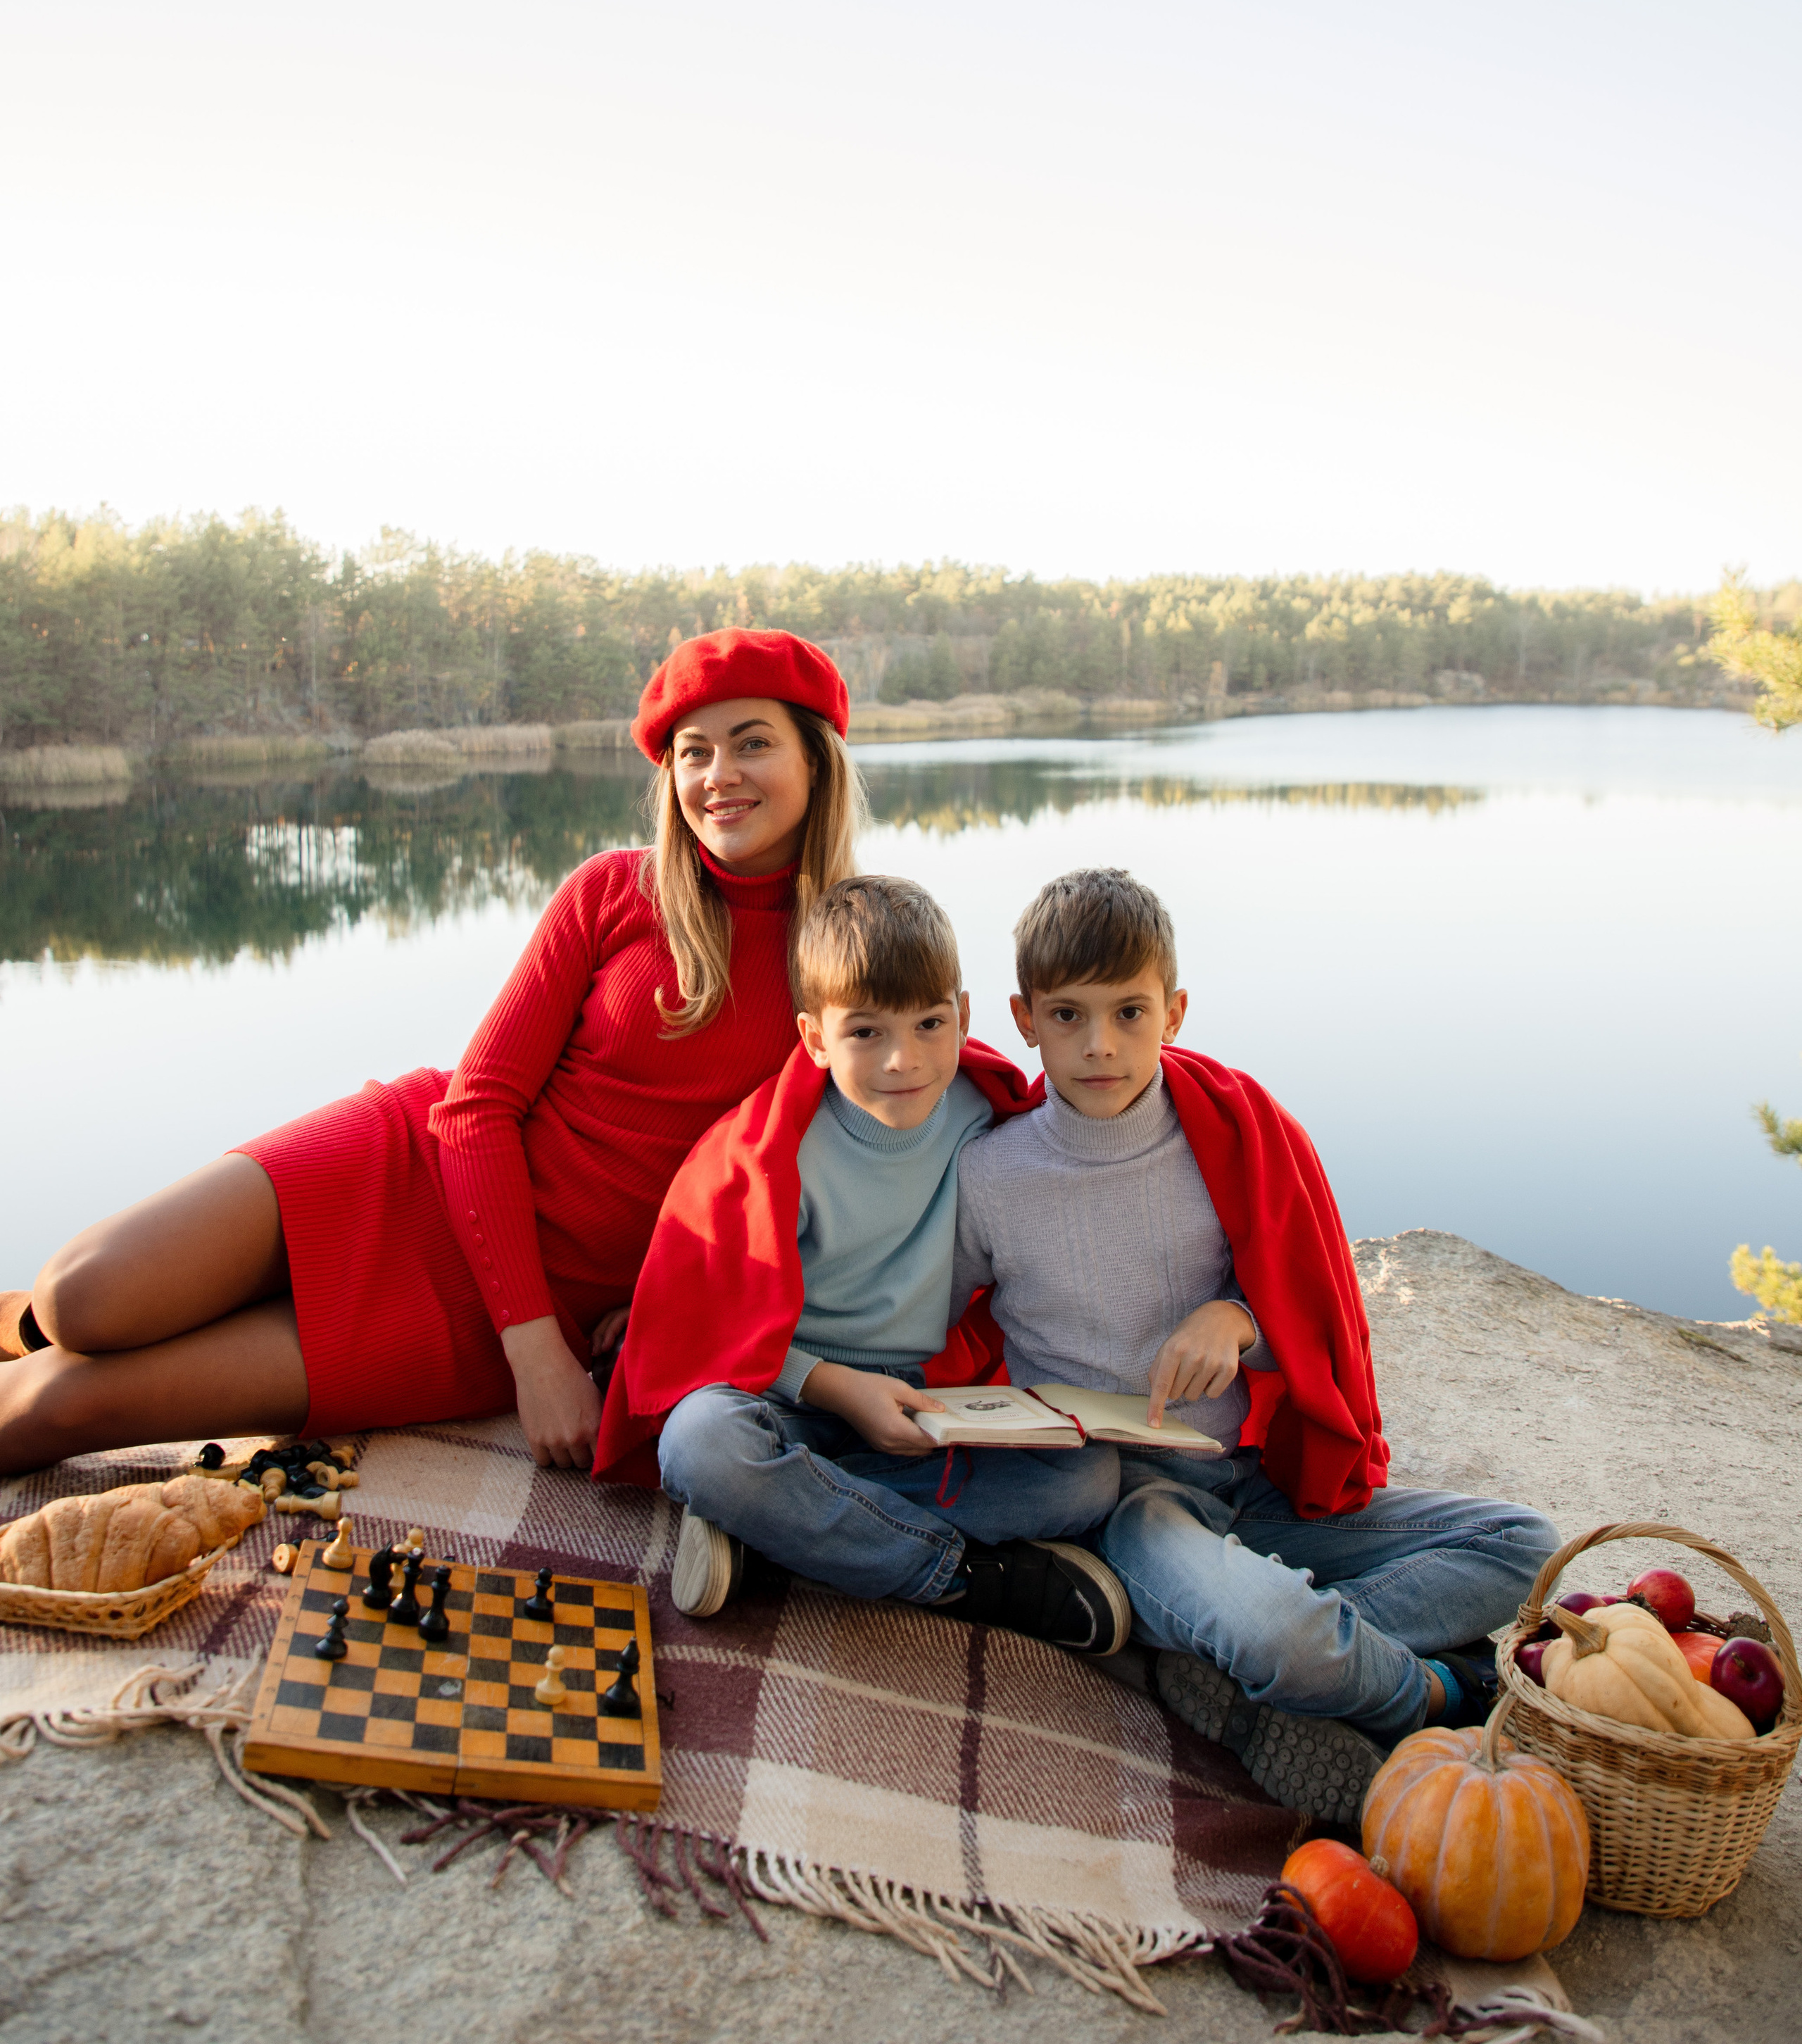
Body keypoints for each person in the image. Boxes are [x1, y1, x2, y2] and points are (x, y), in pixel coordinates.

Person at [0, 630, 862, 1478]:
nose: (719, 777)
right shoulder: (613, 890)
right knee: (81, 1299)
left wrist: (624, 1316)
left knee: (54, 1410)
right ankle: (21, 1322)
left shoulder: (852, 952)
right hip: (413, 1166)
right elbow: (478, 1104)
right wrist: (539, 1358)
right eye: (692, 751)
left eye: (753, 744)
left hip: (485, 1312)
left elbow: (906, 1103)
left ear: (816, 761)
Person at [949, 866, 1562, 1824]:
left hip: (1254, 1483)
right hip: (1129, 1506)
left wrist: (1238, 1318)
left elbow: (1311, 1303)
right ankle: (1437, 1692)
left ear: (1176, 1011)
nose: (1100, 1045)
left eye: (1129, 1012)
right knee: (1281, 1638)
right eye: (1068, 1016)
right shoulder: (990, 1176)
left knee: (1527, 1548)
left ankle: (1224, 1656)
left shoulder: (1232, 1134)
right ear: (1025, 1018)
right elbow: (927, 1327)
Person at [594, 874, 1130, 1655]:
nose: (902, 1060)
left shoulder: (989, 1116)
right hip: (787, 1396)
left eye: (928, 1024)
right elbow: (706, 1324)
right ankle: (960, 1579)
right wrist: (838, 1389)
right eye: (866, 1033)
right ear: (815, 1037)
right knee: (699, 1444)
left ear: (964, 1016)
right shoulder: (775, 1151)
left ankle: (774, 1539)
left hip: (922, 1407)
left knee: (1087, 1481)